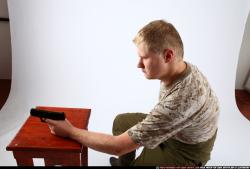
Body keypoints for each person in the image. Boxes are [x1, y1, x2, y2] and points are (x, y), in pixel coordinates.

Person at [45, 19, 219, 166]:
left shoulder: (181, 100)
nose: (138, 64)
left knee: (127, 149)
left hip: (187, 152)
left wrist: (70, 131)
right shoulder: (181, 67)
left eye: (144, 57)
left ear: (168, 56)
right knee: (121, 122)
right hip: (179, 129)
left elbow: (118, 147)